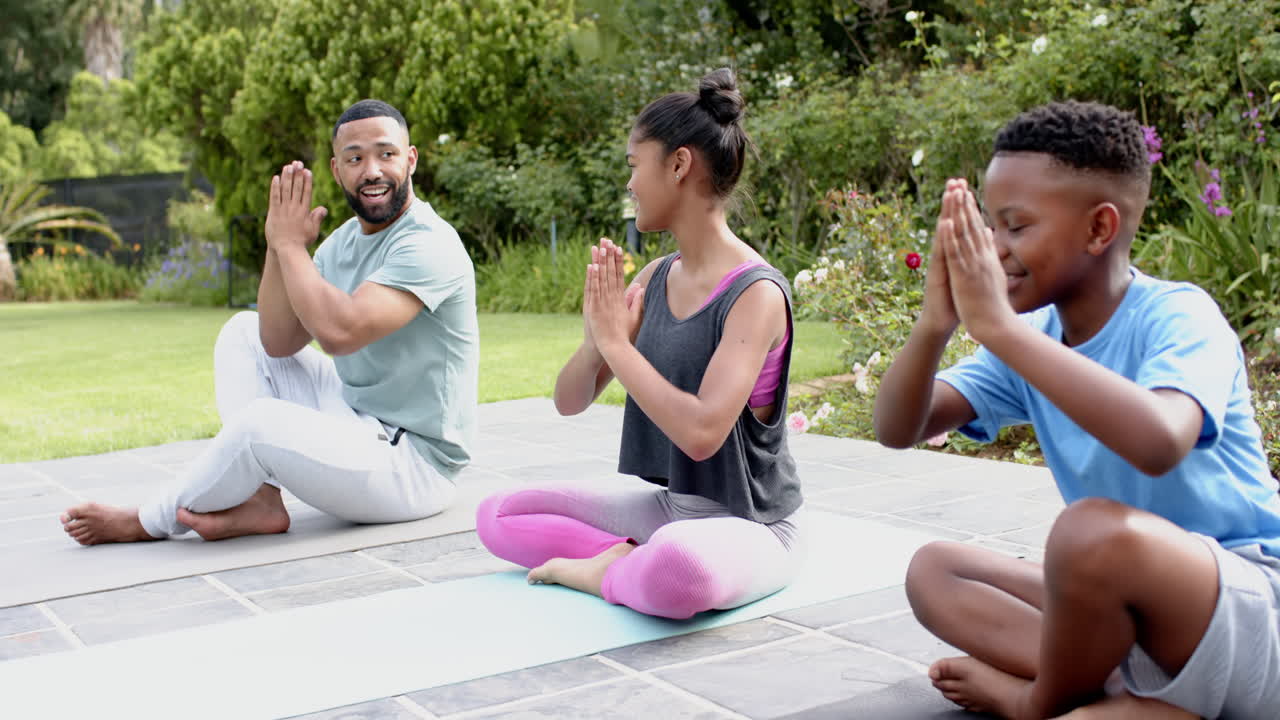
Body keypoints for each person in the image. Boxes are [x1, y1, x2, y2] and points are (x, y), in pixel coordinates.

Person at [873, 100, 1280, 719]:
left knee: (1088, 535)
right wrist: (935, 324)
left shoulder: (1179, 315)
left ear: (1098, 229)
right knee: (936, 571)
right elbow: (900, 427)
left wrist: (1003, 331)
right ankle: (1139, 696)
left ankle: (1042, 701)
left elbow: (1160, 440)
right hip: (1142, 615)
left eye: (1016, 225)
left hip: (1251, 604)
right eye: (990, 224)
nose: (995, 248)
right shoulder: (1035, 335)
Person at [61, 99, 478, 544]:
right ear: (337, 171)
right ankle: (261, 499)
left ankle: (146, 520)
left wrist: (292, 247)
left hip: (413, 466)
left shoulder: (429, 243)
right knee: (243, 333)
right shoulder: (341, 245)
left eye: (386, 154)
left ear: (410, 159)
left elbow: (341, 332)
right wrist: (277, 245)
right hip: (356, 421)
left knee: (260, 424)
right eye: (355, 158)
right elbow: (279, 340)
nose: (371, 170)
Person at [474, 68, 803, 620]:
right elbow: (569, 400)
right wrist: (596, 343)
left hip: (754, 528)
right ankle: (628, 562)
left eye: (634, 165)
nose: (629, 184)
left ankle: (610, 569)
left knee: (680, 569)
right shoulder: (653, 278)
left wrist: (619, 349)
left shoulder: (756, 293)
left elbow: (701, 434)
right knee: (499, 515)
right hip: (672, 509)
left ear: (677, 165)